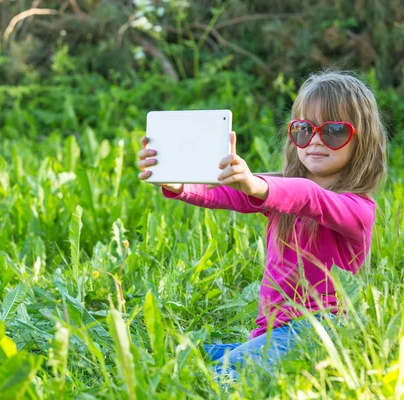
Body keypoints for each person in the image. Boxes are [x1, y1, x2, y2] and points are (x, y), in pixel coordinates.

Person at [137, 71, 387, 379]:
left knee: (221, 375)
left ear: (361, 141)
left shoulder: (359, 209)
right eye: (304, 129)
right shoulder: (281, 190)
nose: (316, 140)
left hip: (322, 330)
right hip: (272, 332)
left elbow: (309, 198)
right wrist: (178, 183)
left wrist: (255, 185)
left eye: (334, 131)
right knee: (184, 352)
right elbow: (226, 194)